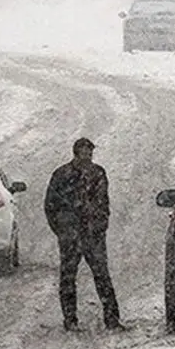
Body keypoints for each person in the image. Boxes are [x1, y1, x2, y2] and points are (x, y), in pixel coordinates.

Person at [44, 137, 125, 332]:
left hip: (92, 234)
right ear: (76, 153)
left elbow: (104, 203)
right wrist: (62, 230)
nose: (88, 156)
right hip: (71, 234)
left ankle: (112, 319)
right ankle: (70, 320)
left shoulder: (98, 174)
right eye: (84, 152)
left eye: (90, 152)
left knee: (101, 275)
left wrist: (99, 226)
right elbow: (50, 205)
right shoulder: (62, 175)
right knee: (68, 277)